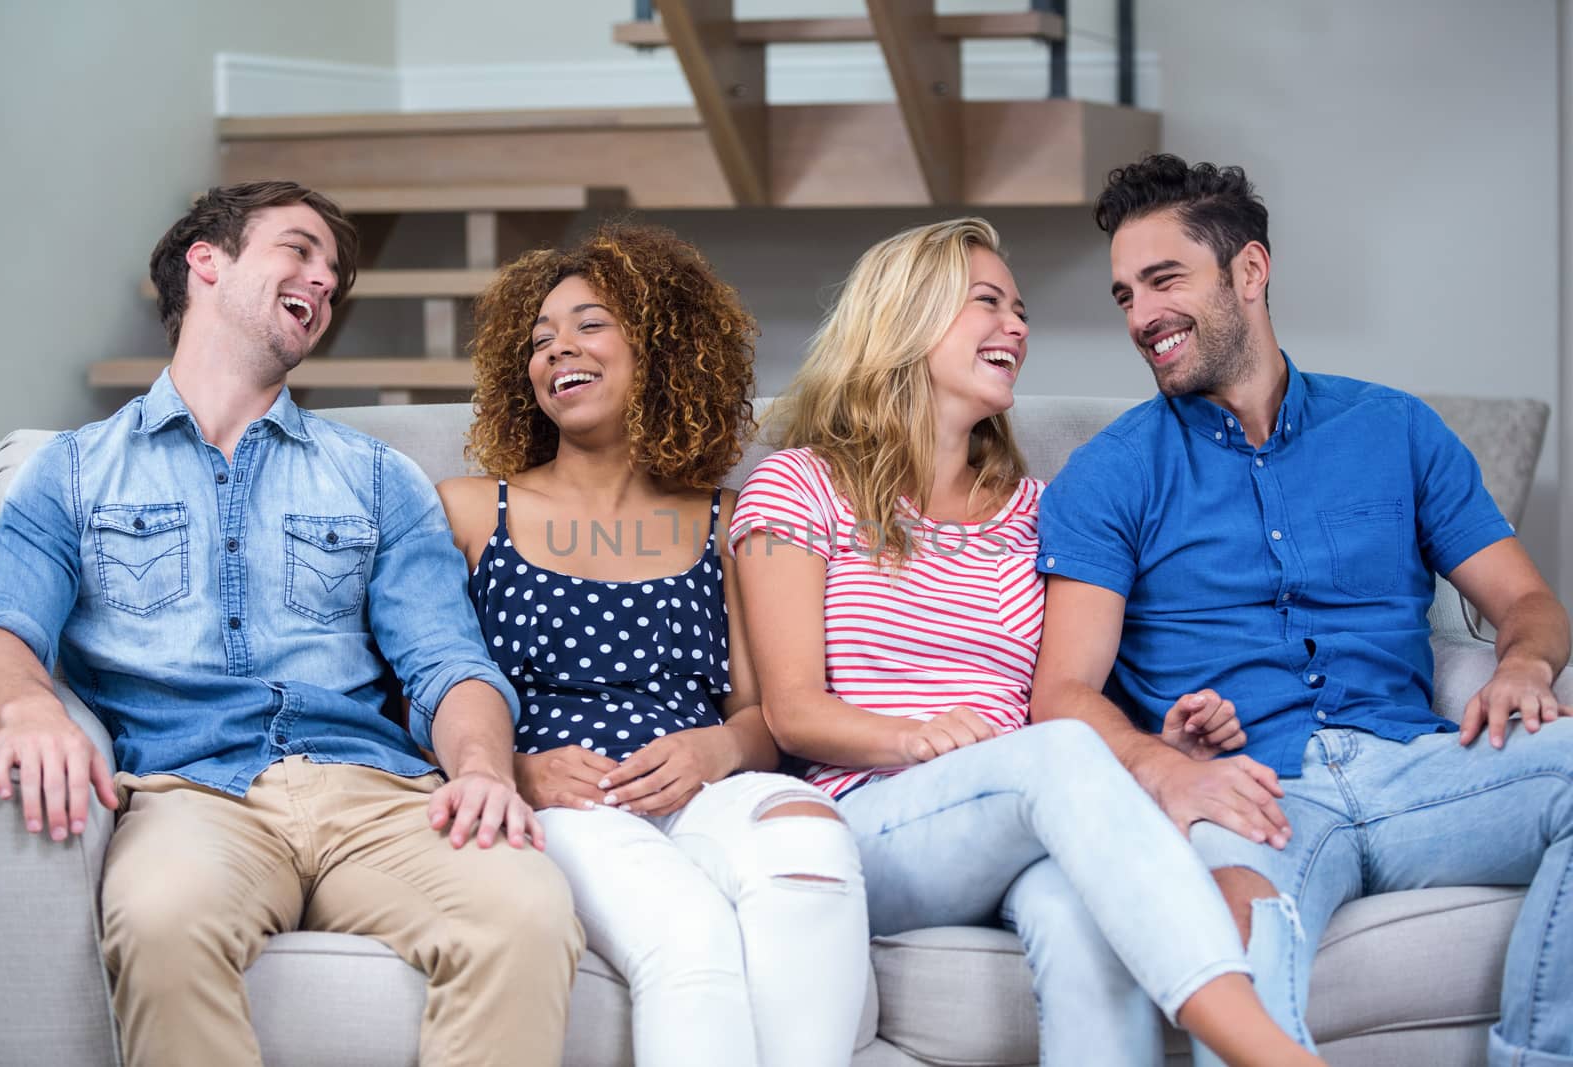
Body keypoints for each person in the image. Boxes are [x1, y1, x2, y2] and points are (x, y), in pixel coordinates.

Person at [0, 181, 582, 1067]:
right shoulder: (72, 472)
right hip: (190, 794)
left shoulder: (375, 478)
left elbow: (450, 663)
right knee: (159, 917)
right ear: (206, 263)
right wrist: (30, 711)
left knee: (525, 909)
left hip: (376, 794)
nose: (325, 280)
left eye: (335, 271)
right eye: (299, 250)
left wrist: (484, 768)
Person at [730, 216, 1324, 1067]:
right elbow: (791, 711)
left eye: (1020, 309)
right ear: (907, 319)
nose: (1017, 326)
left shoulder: (1036, 509)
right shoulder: (802, 484)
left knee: (1082, 916)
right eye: (987, 303)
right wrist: (917, 736)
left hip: (1029, 810)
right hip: (875, 815)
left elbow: (1065, 686)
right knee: (1054, 754)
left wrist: (1158, 744)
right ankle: (1266, 1048)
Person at [1032, 153, 1573, 1066]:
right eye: (1125, 294)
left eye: (1165, 280)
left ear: (1250, 271)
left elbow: (1527, 598)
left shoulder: (1395, 429)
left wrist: (1523, 663)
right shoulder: (1110, 474)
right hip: (1252, 794)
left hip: (1422, 768)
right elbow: (1062, 693)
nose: (1142, 317)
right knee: (1237, 951)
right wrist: (1165, 771)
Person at [439, 222, 870, 1067]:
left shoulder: (726, 514)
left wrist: (716, 748)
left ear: (664, 347)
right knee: (691, 934)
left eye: (591, 323)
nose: (559, 348)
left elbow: (761, 715)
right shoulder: (466, 510)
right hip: (566, 804)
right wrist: (511, 771)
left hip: (702, 788)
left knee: (815, 849)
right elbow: (417, 690)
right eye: (539, 339)